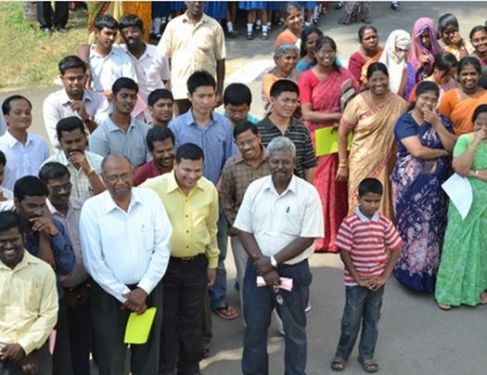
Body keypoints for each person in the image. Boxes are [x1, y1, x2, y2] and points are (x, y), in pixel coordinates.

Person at [234, 136, 323, 375]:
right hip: (258, 270)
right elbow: (243, 228)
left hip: (293, 271)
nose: (280, 167)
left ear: (294, 162)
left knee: (294, 332)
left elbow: (308, 236)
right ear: (268, 162)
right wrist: (262, 263)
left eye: (286, 162)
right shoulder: (256, 189)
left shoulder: (308, 193)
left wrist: (272, 262)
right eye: (275, 162)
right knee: (255, 330)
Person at [79, 154, 172, 375]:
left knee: (148, 354)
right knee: (112, 357)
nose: (120, 182)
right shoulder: (92, 209)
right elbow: (94, 262)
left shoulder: (150, 199)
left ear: (133, 174)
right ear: (102, 177)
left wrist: (143, 289)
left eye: (124, 175)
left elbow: (163, 247)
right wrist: (126, 296)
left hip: (148, 290)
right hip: (110, 296)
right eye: (112, 177)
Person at [141, 143, 219, 374]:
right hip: (164, 267)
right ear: (175, 164)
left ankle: (189, 367)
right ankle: (165, 368)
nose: (192, 176)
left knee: (192, 321)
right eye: (187, 170)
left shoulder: (209, 189)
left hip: (196, 264)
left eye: (198, 170)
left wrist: (213, 262)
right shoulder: (152, 188)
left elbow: (212, 227)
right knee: (166, 321)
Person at [170, 70, 237, 323]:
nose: (206, 101)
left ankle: (217, 298)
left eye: (210, 95)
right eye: (201, 96)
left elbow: (230, 159)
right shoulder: (177, 127)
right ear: (190, 97)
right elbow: (173, 164)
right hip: (186, 200)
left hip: (216, 198)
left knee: (216, 249)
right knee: (189, 249)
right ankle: (194, 299)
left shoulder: (224, 125)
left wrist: (218, 186)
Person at [330, 178, 403, 374]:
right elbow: (344, 252)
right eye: (368, 201)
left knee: (372, 319)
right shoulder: (350, 223)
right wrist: (358, 278)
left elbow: (395, 247)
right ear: (358, 198)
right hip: (355, 283)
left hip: (377, 283)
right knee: (351, 319)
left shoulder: (384, 223)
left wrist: (385, 276)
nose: (372, 206)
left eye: (376, 201)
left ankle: (366, 354)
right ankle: (342, 354)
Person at [392, 81, 456, 292]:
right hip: (410, 184)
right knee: (411, 228)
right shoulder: (405, 121)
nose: (428, 103)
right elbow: (417, 151)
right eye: (424, 98)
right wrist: (442, 153)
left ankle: (428, 275)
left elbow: (453, 146)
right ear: (416, 98)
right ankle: (406, 273)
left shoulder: (442, 121)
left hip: (436, 186)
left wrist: (437, 124)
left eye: (432, 99)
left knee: (433, 228)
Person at [299, 35, 357, 252]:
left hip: (342, 137)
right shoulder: (307, 78)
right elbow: (307, 113)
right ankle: (320, 237)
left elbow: (355, 103)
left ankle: (340, 236)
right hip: (319, 139)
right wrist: (335, 117)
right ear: (315, 54)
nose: (326, 56)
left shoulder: (345, 75)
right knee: (320, 186)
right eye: (322, 52)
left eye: (330, 51)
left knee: (340, 185)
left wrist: (344, 119)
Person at [39, 162, 92, 375]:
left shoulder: (83, 207)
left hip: (86, 289)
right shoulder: (41, 216)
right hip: (58, 296)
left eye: (66, 185)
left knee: (83, 348)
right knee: (62, 355)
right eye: (56, 188)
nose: (63, 192)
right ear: (45, 188)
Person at [337, 62, 408, 220]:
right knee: (359, 200)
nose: (379, 84)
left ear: (388, 80)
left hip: (388, 163)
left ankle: (381, 241)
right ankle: (358, 239)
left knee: (383, 202)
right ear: (367, 81)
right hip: (360, 162)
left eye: (382, 79)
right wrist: (342, 164)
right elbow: (342, 134)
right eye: (374, 80)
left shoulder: (399, 104)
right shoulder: (357, 103)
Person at [435, 104, 487, 309]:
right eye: (479, 123)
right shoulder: (465, 140)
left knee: (481, 247)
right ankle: (447, 294)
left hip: (485, 204)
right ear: (473, 123)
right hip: (465, 200)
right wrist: (475, 144)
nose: (483, 127)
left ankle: (476, 290)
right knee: (457, 244)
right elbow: (459, 167)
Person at [220, 122, 270, 311]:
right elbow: (226, 200)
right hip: (243, 234)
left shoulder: (274, 160)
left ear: (259, 138)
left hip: (272, 230)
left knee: (275, 276)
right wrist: (236, 226)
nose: (247, 147)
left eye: (250, 141)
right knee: (246, 278)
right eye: (241, 143)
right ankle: (253, 324)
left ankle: (283, 324)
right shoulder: (231, 166)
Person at [0, 211, 58, 375]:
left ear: (24, 237)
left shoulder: (43, 271)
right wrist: (14, 353)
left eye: (14, 239)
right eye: (2, 241)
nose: (9, 245)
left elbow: (49, 315)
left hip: (36, 352)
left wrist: (24, 346)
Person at [159, 1, 226, 115]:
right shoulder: (173, 26)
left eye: (200, 1)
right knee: (182, 127)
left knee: (206, 127)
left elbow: (220, 60)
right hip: (180, 90)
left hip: (205, 91)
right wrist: (166, 85)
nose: (197, 4)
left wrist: (219, 91)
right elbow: (164, 57)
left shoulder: (214, 27)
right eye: (193, 0)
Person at [43, 55, 108, 149]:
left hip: (95, 156)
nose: (76, 82)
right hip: (66, 159)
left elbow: (104, 136)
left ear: (86, 77)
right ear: (62, 78)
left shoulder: (100, 100)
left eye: (80, 78)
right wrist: (87, 140)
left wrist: (86, 118)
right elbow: (56, 141)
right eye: (71, 79)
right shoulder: (52, 103)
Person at [259, 79, 316, 182]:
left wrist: (310, 191)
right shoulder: (259, 130)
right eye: (285, 100)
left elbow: (309, 165)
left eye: (294, 101)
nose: (290, 105)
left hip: (297, 191)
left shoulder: (301, 129)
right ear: (272, 100)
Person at [89, 77, 151, 168]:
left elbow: (151, 166)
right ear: (113, 97)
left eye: (133, 97)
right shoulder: (99, 135)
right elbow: (100, 171)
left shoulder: (146, 131)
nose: (129, 101)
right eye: (124, 96)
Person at [119, 14, 170, 119]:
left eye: (134, 31)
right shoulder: (118, 54)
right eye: (125, 32)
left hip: (156, 110)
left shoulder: (158, 53)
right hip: (133, 111)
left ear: (143, 32)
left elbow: (164, 79)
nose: (129, 35)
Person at [43, 117, 105, 203]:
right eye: (68, 142)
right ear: (60, 141)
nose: (74, 147)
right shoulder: (49, 165)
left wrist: (89, 171)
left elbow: (106, 198)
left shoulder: (99, 162)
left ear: (85, 137)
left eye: (78, 140)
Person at [0, 95, 49, 191]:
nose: (24, 116)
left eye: (27, 112)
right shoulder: (1, 146)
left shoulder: (40, 142)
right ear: (6, 117)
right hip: (8, 202)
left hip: (38, 200)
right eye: (18, 113)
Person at [86, 15, 137, 97]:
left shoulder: (122, 57)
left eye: (114, 34)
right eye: (108, 33)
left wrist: (114, 93)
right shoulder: (87, 56)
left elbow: (131, 84)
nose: (111, 38)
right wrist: (99, 95)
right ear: (96, 33)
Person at [439, 56, 487, 136]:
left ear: (480, 75)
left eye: (473, 74)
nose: (469, 78)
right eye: (464, 74)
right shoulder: (448, 97)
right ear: (458, 76)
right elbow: (443, 126)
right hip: (455, 143)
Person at [262, 44, 300, 111]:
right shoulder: (269, 79)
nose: (292, 62)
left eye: (294, 58)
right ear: (277, 59)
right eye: (288, 58)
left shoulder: (298, 75)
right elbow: (277, 101)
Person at [379, 30, 415, 99]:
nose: (403, 54)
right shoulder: (381, 68)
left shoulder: (410, 68)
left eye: (406, 50)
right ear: (392, 48)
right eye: (399, 49)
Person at [408, 17, 443, 82]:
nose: (424, 41)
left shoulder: (440, 53)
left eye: (427, 36)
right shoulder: (408, 54)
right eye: (420, 37)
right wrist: (419, 67)